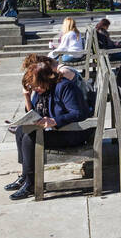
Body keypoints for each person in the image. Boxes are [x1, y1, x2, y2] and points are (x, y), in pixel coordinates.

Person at [6, 61, 93, 200]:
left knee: (30, 138)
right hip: (57, 131)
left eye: (36, 87)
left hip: (73, 133)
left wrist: (54, 121)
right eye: (33, 88)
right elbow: (33, 113)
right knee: (21, 131)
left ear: (46, 79)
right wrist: (27, 97)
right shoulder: (43, 89)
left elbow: (79, 113)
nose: (36, 90)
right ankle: (25, 176)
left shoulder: (65, 87)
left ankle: (31, 184)